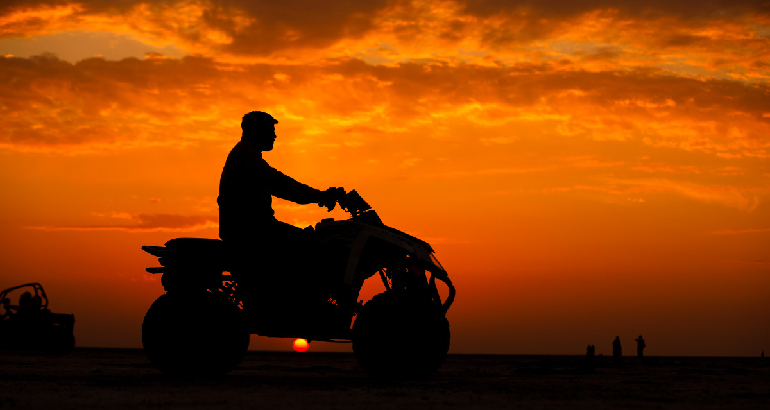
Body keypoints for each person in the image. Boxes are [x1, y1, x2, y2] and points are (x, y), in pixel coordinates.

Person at [217, 111, 340, 305]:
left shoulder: (247, 155)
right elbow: (280, 183)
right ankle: (302, 303)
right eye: (270, 131)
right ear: (256, 131)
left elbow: (284, 189)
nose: (274, 136)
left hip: (254, 228)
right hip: (252, 230)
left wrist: (318, 196)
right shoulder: (246, 156)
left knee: (308, 241)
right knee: (312, 246)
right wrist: (320, 196)